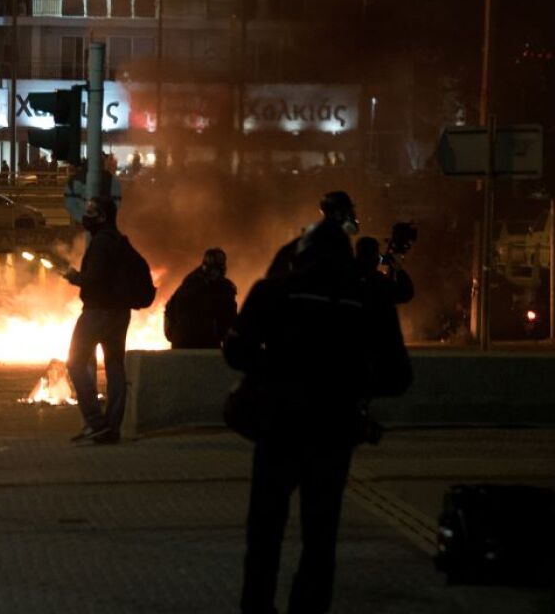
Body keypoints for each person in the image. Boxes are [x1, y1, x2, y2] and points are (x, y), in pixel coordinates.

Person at [225, 190, 404, 614]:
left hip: (277, 428)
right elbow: (398, 375)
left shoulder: (275, 291)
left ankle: (257, 606)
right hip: (334, 431)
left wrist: (271, 370)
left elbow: (235, 352)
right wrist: (355, 382)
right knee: (320, 538)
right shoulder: (366, 298)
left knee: (264, 533)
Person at [64, 196, 130, 445]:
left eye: (92, 212)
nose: (87, 216)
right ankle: (112, 428)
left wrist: (74, 277)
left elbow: (94, 279)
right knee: (115, 368)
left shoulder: (101, 243)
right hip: (120, 313)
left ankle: (95, 421)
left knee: (76, 362)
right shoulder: (120, 242)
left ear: (102, 216)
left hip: (97, 312)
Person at [266, 191, 360, 280]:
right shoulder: (335, 246)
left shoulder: (304, 240)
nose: (352, 216)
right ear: (337, 213)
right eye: (348, 211)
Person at [164, 248, 238, 349]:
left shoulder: (187, 285)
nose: (215, 274)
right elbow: (229, 322)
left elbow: (169, 313)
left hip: (181, 346)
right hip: (205, 347)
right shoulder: (224, 290)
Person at [355, 236, 414, 305]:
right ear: (374, 256)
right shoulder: (377, 281)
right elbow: (406, 293)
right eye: (377, 254)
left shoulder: (347, 275)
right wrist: (397, 268)